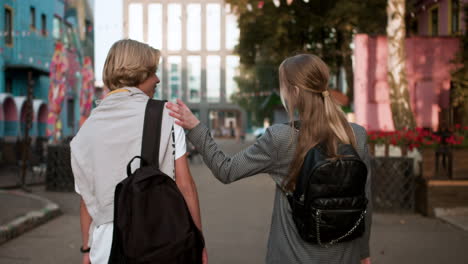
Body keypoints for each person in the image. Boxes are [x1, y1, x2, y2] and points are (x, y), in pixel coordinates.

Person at [166, 54, 372, 264]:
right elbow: (365, 198)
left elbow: (226, 170)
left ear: (294, 92)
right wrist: (363, 252)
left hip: (294, 256)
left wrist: (195, 128)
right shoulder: (356, 135)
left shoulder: (281, 137)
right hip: (346, 254)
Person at [70, 39, 207, 264]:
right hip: (162, 241)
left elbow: (87, 200)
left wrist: (87, 250)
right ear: (138, 73)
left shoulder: (85, 130)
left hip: (105, 250)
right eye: (152, 72)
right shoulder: (166, 116)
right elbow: (185, 186)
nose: (158, 79)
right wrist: (198, 242)